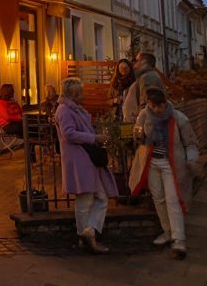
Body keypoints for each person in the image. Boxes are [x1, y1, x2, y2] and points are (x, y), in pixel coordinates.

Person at [129, 87, 199, 258]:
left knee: (173, 200)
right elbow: (139, 135)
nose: (156, 110)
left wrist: (191, 159)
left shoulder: (179, 118)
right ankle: (167, 231)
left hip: (171, 164)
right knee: (159, 199)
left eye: (158, 106)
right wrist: (138, 136)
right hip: (151, 162)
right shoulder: (144, 115)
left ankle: (179, 239)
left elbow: (190, 142)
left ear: (164, 103)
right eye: (152, 106)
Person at [54, 77, 118, 254]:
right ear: (72, 94)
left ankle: (88, 233)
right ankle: (86, 236)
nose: (83, 95)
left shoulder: (73, 108)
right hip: (79, 158)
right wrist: (94, 138)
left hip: (85, 157)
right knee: (86, 199)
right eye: (79, 92)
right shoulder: (65, 110)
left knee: (98, 197)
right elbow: (69, 134)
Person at [122, 52, 165, 123]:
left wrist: (141, 120)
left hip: (145, 123)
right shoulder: (144, 77)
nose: (134, 64)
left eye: (136, 60)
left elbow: (147, 102)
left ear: (144, 61)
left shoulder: (148, 77)